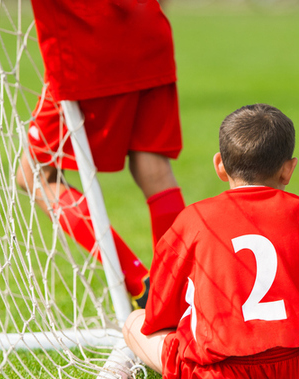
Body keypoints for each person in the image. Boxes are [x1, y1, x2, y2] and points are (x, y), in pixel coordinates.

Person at [123, 104, 299, 379]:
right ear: (288, 170)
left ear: (219, 166)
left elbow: (160, 313)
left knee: (133, 322)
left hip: (217, 373)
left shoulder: (193, 218)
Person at [16, 0, 186, 308]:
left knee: (35, 175)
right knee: (154, 167)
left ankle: (140, 283)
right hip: (148, 31)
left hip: (85, 49)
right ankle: (176, 294)